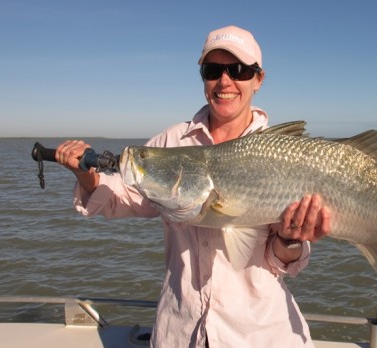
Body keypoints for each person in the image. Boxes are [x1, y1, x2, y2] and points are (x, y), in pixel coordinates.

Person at [55, 25, 331, 348]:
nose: (224, 81)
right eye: (212, 70)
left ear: (259, 79)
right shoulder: (171, 142)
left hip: (259, 335)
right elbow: (122, 196)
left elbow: (284, 262)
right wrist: (86, 176)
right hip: (180, 332)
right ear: (202, 77)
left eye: (238, 70)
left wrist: (289, 238)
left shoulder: (280, 154)